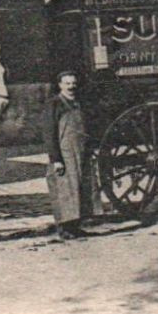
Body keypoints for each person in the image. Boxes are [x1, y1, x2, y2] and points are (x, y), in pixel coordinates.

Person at [44, 71, 92, 240]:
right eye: (67, 83)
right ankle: (64, 229)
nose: (71, 87)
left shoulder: (77, 103)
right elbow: (49, 134)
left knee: (78, 188)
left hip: (79, 151)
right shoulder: (54, 104)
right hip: (64, 154)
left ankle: (76, 226)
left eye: (73, 83)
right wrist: (56, 159)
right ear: (60, 85)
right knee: (64, 190)